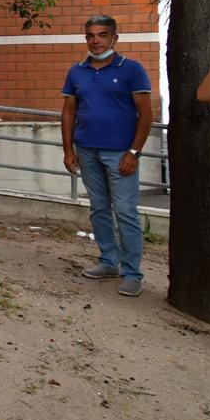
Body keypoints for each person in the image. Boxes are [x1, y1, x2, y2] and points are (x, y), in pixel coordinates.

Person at [60, 15, 153, 297]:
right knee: (99, 208)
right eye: (90, 35)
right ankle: (108, 261)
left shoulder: (131, 70)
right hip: (86, 150)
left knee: (125, 212)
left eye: (102, 35)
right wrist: (68, 150)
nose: (96, 41)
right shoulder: (77, 71)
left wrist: (134, 152)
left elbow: (146, 114)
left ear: (115, 38)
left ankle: (132, 272)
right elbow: (69, 111)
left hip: (121, 154)